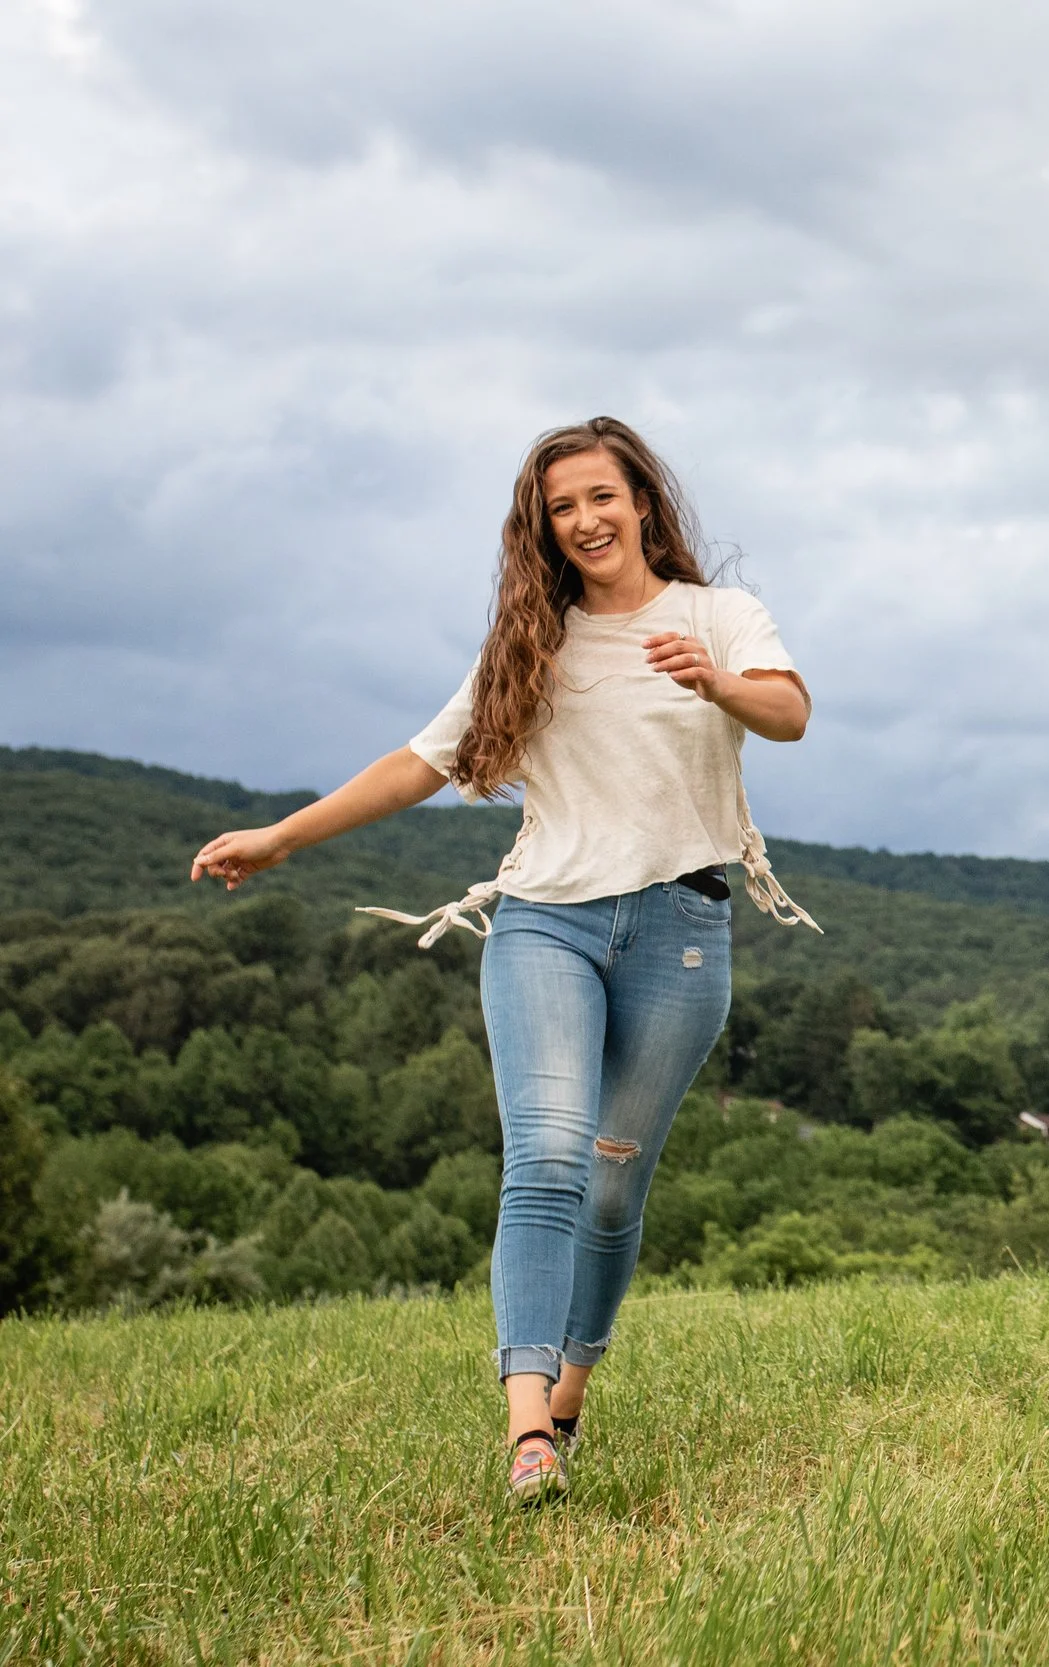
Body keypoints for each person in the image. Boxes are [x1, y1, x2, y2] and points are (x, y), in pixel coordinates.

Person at [191, 417, 820, 1505]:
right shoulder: (532, 643)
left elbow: (791, 711)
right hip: (546, 921)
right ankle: (527, 1424)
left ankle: (571, 1395)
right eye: (560, 508)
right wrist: (281, 836)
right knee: (546, 1163)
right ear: (544, 529)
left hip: (680, 924)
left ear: (642, 501)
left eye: (599, 497)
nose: (583, 520)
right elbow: (416, 765)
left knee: (615, 1188)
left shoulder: (718, 616)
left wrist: (714, 681)